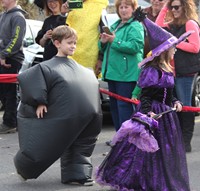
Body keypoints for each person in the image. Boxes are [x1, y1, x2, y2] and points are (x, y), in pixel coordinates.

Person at [95, 8, 191, 190]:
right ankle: (146, 182)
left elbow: (170, 94)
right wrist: (148, 114)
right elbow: (145, 95)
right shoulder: (152, 70)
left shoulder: (168, 68)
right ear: (164, 51)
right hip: (153, 115)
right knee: (145, 153)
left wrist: (176, 102)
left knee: (164, 153)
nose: (175, 50)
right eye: (173, 47)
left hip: (167, 117)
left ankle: (163, 181)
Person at [14, 25, 102, 186]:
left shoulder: (81, 69)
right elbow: (31, 80)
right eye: (69, 43)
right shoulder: (46, 67)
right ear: (57, 43)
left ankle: (77, 174)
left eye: (75, 43)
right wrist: (39, 101)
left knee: (81, 144)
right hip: (63, 116)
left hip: (85, 116)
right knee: (45, 145)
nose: (73, 46)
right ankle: (24, 167)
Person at [156, 0, 200, 152]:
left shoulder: (190, 24)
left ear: (185, 7)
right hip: (174, 71)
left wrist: (175, 43)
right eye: (171, 7)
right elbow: (158, 26)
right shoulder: (173, 24)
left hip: (186, 72)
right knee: (176, 106)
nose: (173, 10)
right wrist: (165, 6)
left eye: (176, 7)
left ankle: (185, 142)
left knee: (185, 106)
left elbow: (195, 47)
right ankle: (179, 141)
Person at [99, 0, 144, 132]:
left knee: (124, 108)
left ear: (133, 9)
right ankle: (120, 138)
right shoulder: (115, 25)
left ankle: (127, 140)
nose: (123, 10)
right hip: (113, 74)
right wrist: (102, 42)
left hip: (126, 75)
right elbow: (104, 49)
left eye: (127, 7)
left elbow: (136, 46)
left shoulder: (135, 26)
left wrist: (115, 41)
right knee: (115, 108)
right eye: (121, 7)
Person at [61, 0, 108, 74]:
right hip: (69, 55)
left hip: (89, 59)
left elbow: (105, 34)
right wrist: (63, 14)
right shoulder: (74, 4)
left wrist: (101, 59)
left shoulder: (100, 6)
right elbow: (61, 30)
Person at [0, 0, 26, 134]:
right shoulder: (3, 15)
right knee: (3, 91)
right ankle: (10, 119)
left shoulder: (18, 17)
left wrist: (4, 55)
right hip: (2, 58)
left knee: (10, 92)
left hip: (12, 59)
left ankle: (10, 122)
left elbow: (16, 40)